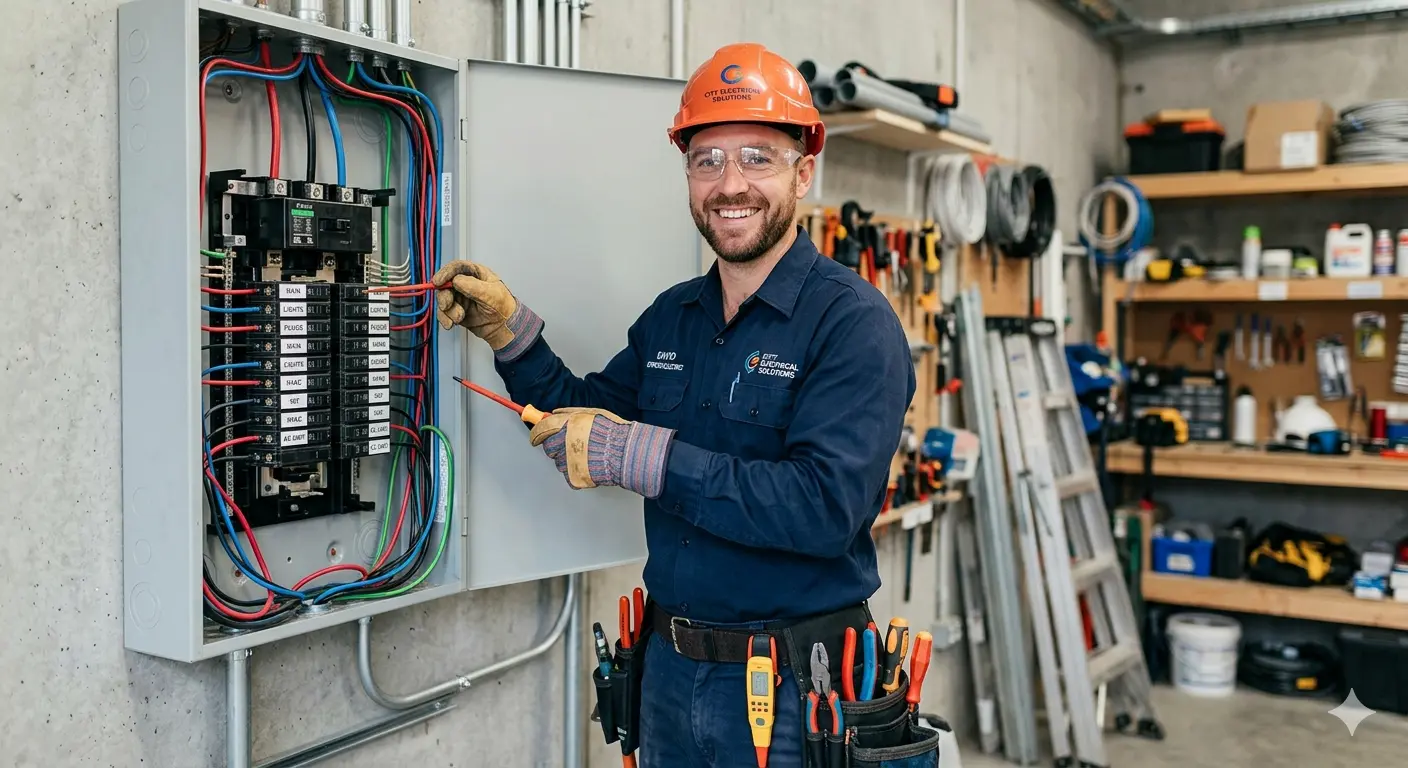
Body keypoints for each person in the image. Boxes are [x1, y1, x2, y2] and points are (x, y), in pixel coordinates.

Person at [431, 42, 915, 768]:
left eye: (757, 157)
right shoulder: (673, 318)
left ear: (803, 171)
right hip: (668, 670)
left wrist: (642, 455)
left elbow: (822, 509)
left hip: (792, 690)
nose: (730, 185)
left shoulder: (854, 324)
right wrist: (510, 331)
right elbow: (583, 416)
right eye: (707, 160)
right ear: (687, 174)